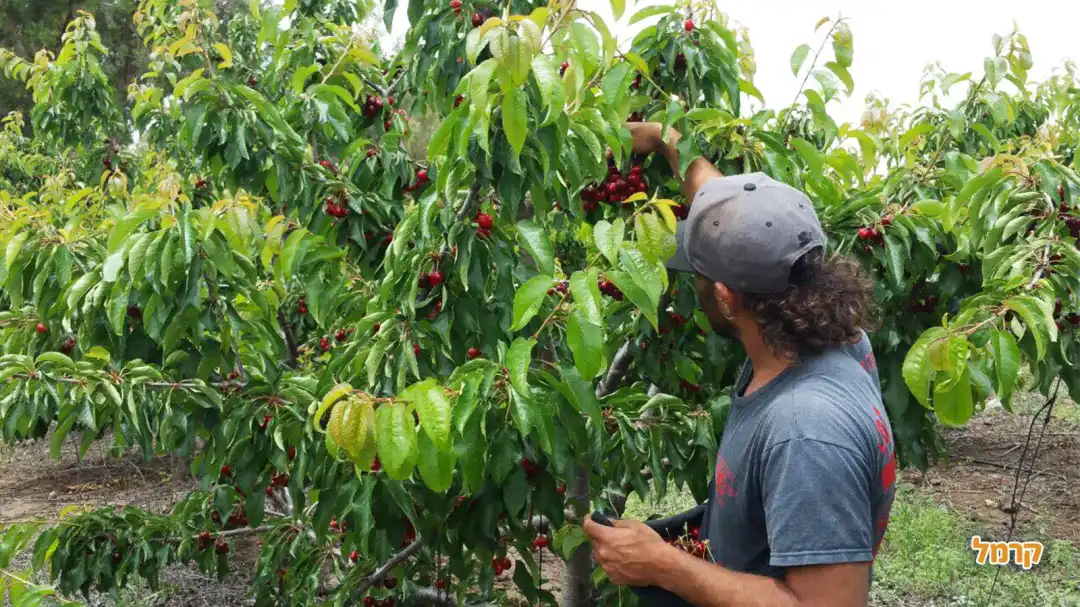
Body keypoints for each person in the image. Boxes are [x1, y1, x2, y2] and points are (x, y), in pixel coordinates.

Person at [583, 122, 896, 607]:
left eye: (699, 275)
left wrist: (664, 565)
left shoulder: (805, 433)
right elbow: (738, 217)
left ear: (726, 298)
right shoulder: (837, 329)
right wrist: (668, 138)